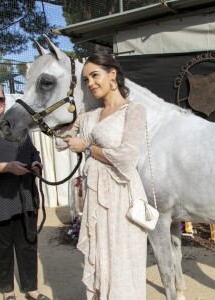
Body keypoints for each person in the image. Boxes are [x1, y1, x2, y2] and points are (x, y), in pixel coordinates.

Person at [63, 54, 148, 299]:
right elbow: (62, 141)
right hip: (96, 196)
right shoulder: (89, 115)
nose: (90, 83)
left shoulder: (133, 111)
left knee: (123, 261)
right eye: (86, 79)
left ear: (113, 74)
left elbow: (126, 158)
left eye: (95, 75)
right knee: (100, 257)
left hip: (123, 197)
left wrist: (87, 147)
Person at [0, 81, 50, 300]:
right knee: (2, 251)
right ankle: (8, 293)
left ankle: (31, 290)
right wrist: (6, 167)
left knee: (28, 246)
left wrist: (35, 164)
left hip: (24, 196)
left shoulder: (17, 124)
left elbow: (33, 153)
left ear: (5, 100)